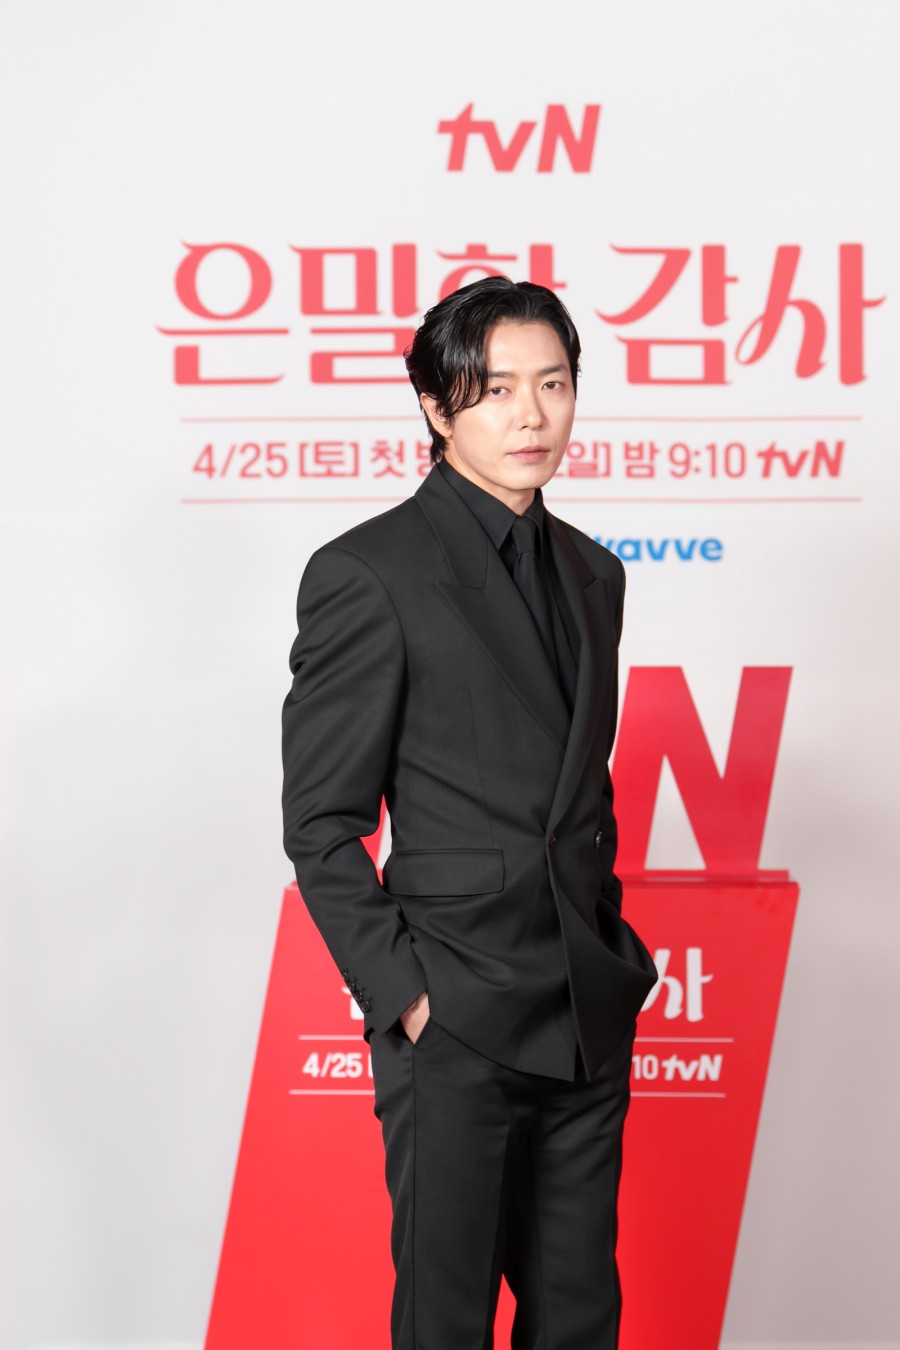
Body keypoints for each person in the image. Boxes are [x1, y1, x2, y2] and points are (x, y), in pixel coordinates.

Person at [281, 276, 658, 1349]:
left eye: (553, 384)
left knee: (580, 1318)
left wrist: (605, 945)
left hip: (585, 1008)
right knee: (445, 1323)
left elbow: (580, 792)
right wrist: (407, 998)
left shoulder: (594, 573)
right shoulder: (369, 572)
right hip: (453, 1014)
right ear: (437, 409)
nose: (531, 415)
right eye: (495, 390)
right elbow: (321, 822)